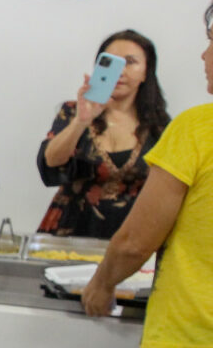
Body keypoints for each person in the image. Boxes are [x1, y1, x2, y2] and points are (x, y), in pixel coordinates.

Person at [81, 2, 213, 348]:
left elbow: (138, 238)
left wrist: (102, 284)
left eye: (211, 42)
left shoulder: (197, 127)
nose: (203, 55)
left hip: (200, 345)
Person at [37, 29, 170, 238]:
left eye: (130, 62)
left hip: (132, 234)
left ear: (146, 72)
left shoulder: (159, 126)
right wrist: (81, 121)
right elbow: (51, 161)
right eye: (112, 62)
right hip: (71, 230)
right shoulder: (74, 110)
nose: (120, 71)